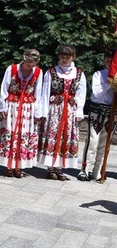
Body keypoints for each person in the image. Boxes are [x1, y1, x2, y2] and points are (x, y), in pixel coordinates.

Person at [0, 49, 45, 178]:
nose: (30, 66)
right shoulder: (12, 69)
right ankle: (8, 165)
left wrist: (37, 112)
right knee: (11, 132)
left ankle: (19, 166)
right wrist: (3, 107)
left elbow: (38, 93)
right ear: (24, 59)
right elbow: (4, 88)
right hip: (12, 105)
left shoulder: (38, 72)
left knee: (24, 136)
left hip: (28, 107)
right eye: (28, 64)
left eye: (33, 64)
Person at [38, 44, 87, 180]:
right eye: (62, 56)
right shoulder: (52, 72)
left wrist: (79, 111)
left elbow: (81, 93)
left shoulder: (79, 73)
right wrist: (44, 112)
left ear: (73, 57)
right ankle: (50, 168)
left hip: (70, 110)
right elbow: (45, 92)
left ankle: (60, 168)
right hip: (55, 109)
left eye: (67, 57)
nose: (64, 59)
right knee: (53, 135)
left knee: (67, 137)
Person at [79, 52, 114, 181]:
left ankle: (98, 171)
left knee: (104, 144)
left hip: (110, 113)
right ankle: (84, 169)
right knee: (92, 141)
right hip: (97, 110)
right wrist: (109, 83)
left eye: (112, 61)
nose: (109, 63)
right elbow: (97, 93)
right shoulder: (99, 74)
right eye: (107, 60)